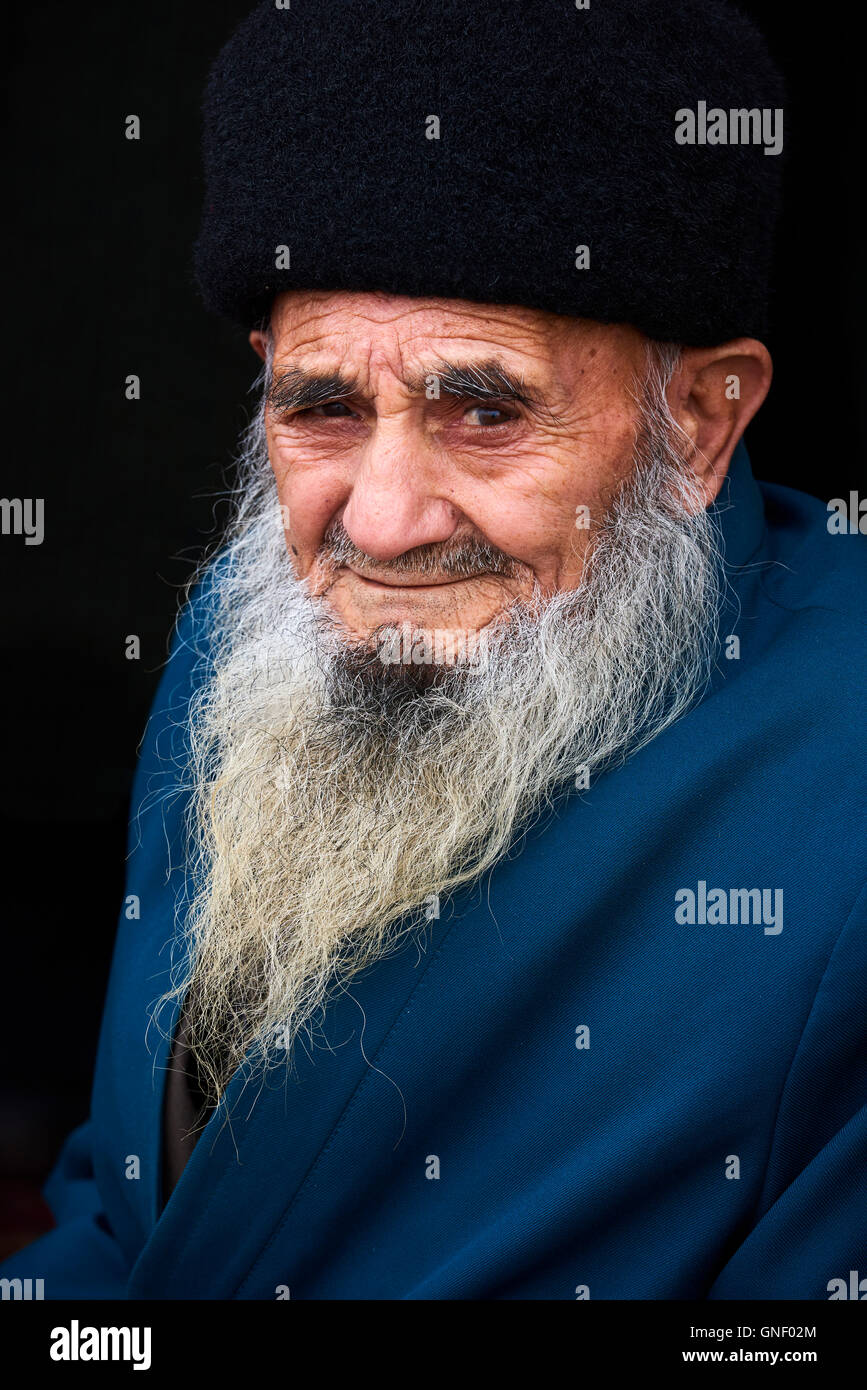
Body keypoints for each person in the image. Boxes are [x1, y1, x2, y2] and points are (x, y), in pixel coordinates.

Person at [2, 0, 864, 1300]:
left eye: (481, 408)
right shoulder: (255, 626)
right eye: (323, 407)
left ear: (697, 420)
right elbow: (132, 1202)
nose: (384, 521)